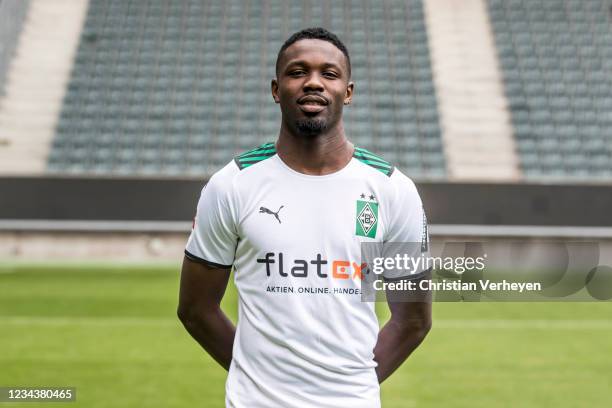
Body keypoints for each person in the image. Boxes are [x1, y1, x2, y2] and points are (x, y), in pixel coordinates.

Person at [177, 27, 432, 408]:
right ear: (276, 89)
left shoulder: (393, 189)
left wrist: (351, 382)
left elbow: (414, 318)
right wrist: (257, 378)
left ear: (348, 91)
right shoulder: (232, 184)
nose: (313, 82)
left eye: (329, 74)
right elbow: (195, 309)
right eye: (298, 72)